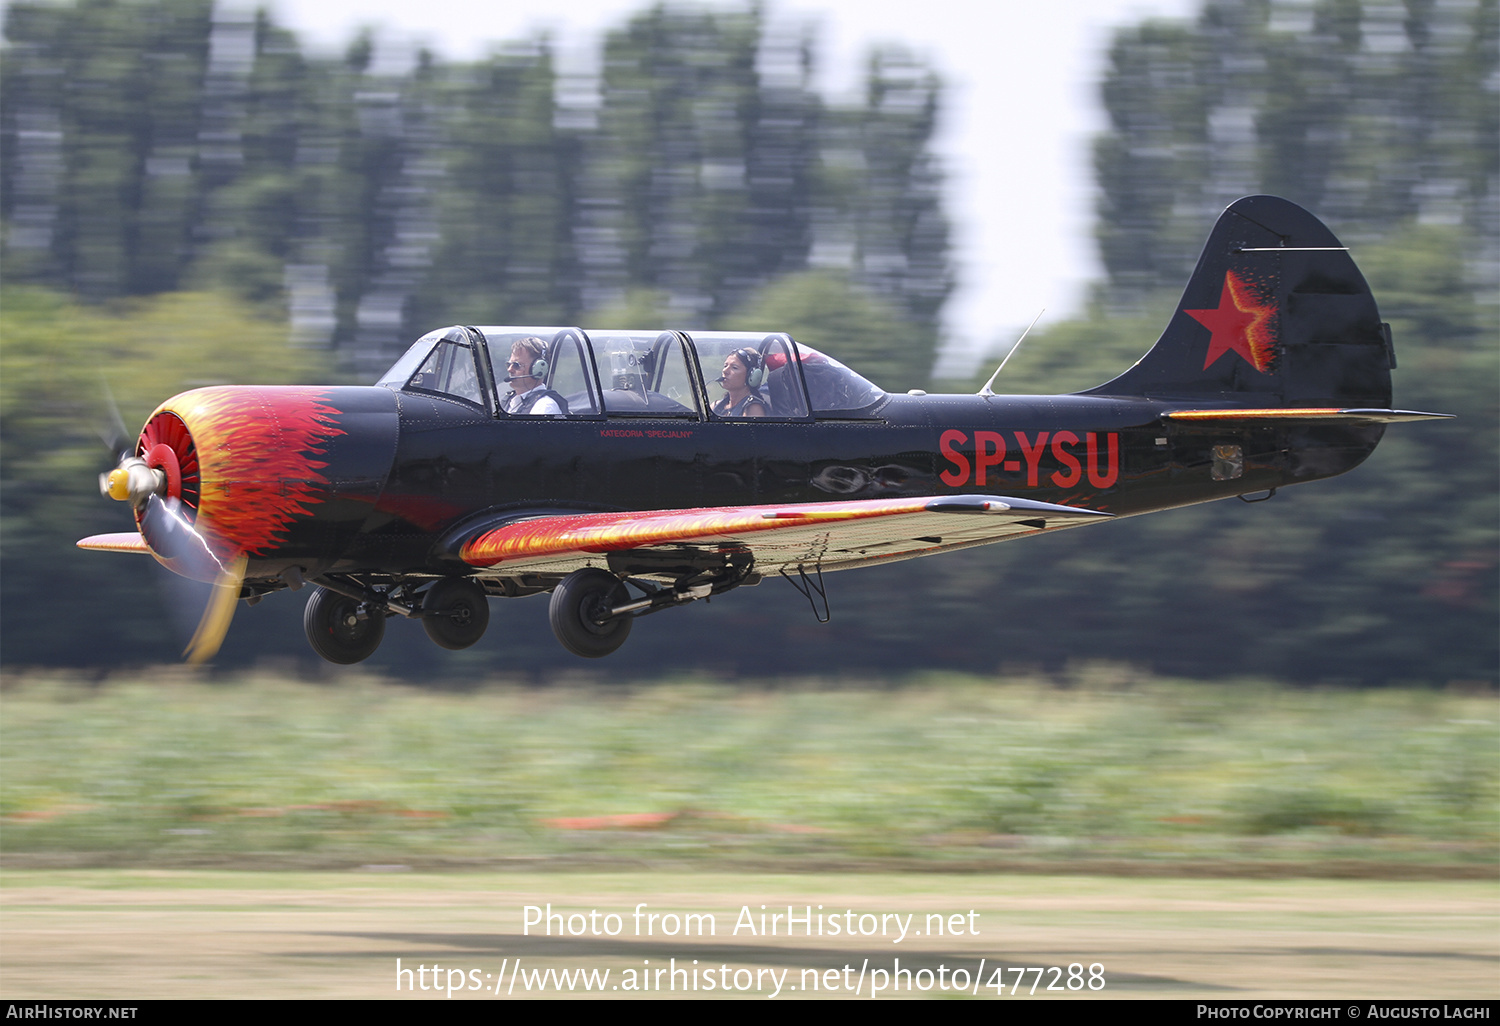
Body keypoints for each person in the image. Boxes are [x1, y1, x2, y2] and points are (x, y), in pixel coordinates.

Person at [503, 338, 566, 416]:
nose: (510, 370)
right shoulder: (510, 401)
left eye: (516, 365)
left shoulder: (544, 406)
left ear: (538, 368)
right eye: (509, 364)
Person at [712, 348, 769, 418]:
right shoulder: (716, 406)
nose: (725, 371)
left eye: (734, 367)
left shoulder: (753, 409)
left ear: (751, 375)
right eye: (725, 366)